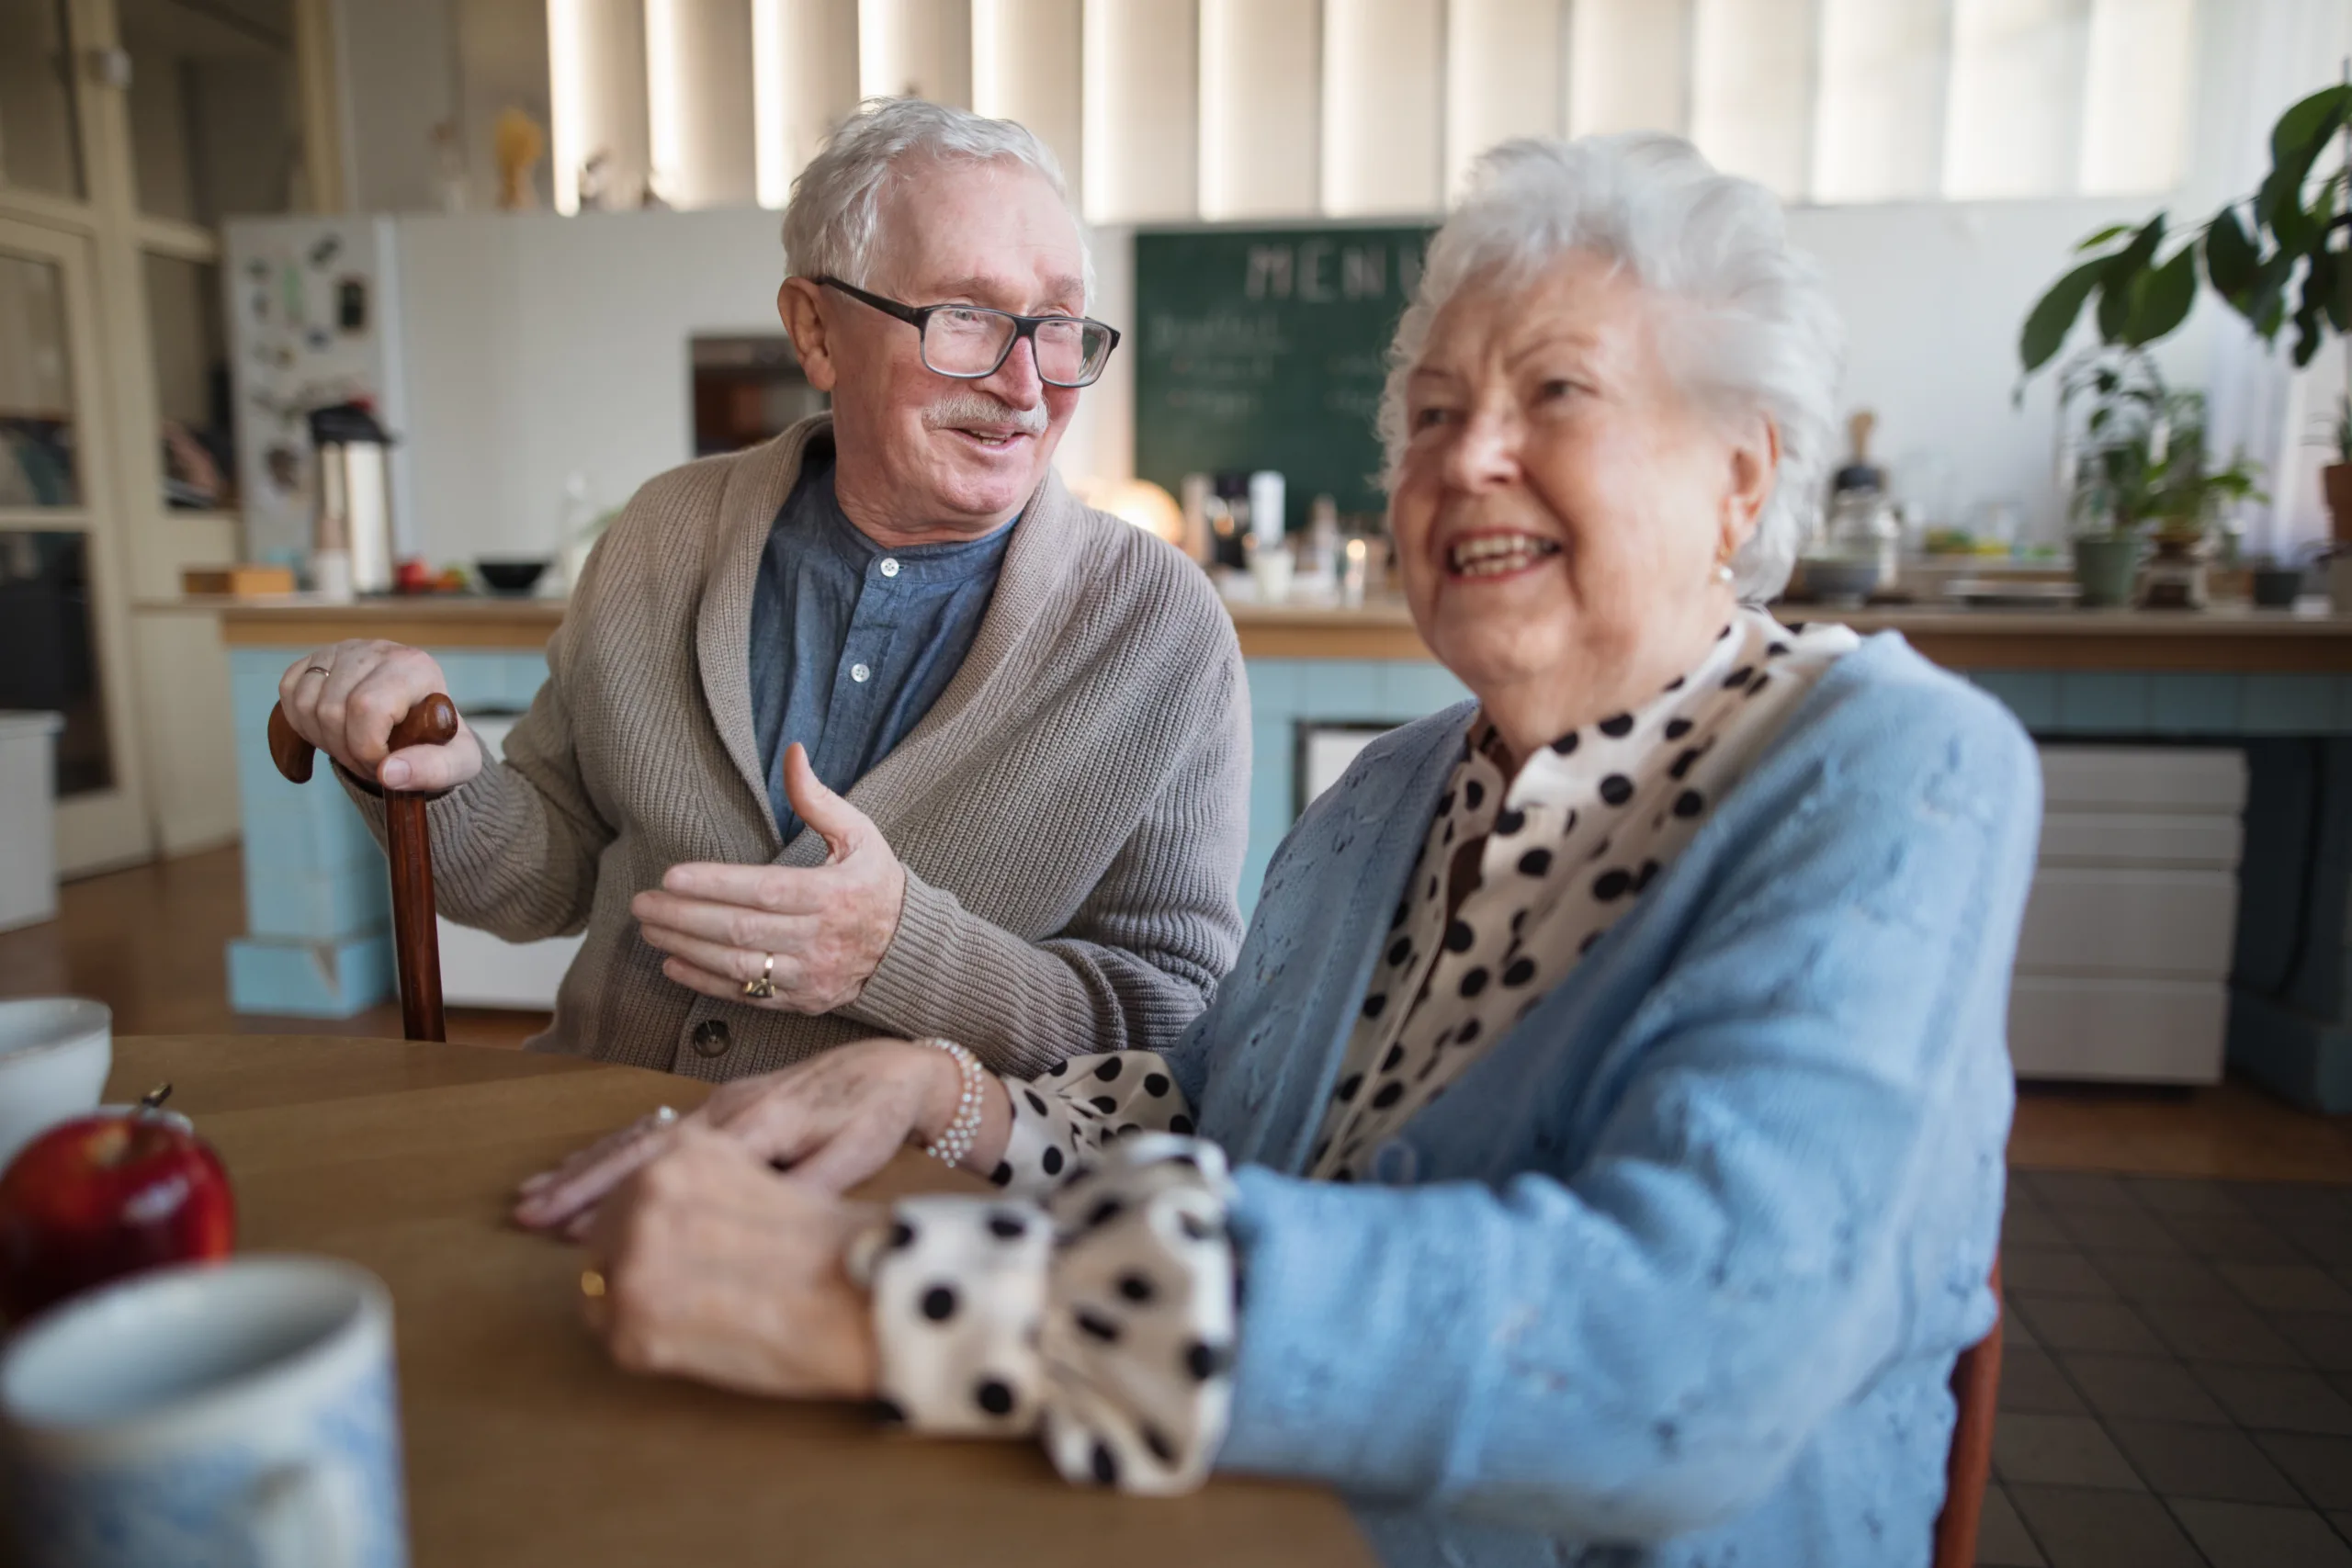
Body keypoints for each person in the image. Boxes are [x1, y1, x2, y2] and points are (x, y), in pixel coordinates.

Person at [519, 133, 2040, 1567]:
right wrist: (947, 1086)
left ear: (1743, 474)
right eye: (1434, 413)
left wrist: (904, 1305)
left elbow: (1691, 1339)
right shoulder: (1396, 789)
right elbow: (1217, 1106)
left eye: (1557, 395)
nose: (1470, 458)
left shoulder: (1886, 768)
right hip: (1250, 1511)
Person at [272, 100, 1249, 1079]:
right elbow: (546, 875)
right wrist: (437, 779)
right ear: (815, 331)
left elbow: (1175, 1026)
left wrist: (896, 954)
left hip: (918, 1200)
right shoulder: (664, 534)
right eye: (966, 317)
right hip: (602, 1132)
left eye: (1059, 325)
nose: (1028, 386)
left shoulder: (1161, 633)